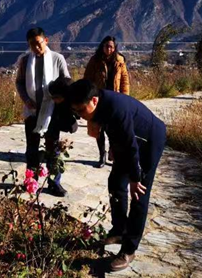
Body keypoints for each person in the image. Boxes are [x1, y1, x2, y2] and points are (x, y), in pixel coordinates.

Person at [68, 79, 166, 272]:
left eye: (81, 110)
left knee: (139, 195)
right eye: (75, 111)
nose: (79, 115)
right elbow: (115, 131)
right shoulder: (100, 104)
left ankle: (129, 249)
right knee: (115, 182)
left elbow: (130, 146)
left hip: (150, 140)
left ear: (94, 101)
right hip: (132, 140)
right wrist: (114, 147)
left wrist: (135, 178)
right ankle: (119, 230)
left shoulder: (116, 108)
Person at [15, 27, 71, 197]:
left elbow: (66, 81)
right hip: (32, 111)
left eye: (39, 43)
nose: (36, 47)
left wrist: (59, 97)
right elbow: (20, 82)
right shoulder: (25, 61)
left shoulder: (57, 59)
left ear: (46, 40)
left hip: (51, 110)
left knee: (53, 147)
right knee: (32, 148)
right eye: (32, 44)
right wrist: (26, 99)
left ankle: (54, 182)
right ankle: (31, 181)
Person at [84, 36, 130, 167]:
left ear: (114, 48)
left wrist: (125, 98)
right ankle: (101, 155)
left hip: (114, 100)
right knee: (99, 130)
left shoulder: (120, 61)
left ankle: (113, 153)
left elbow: (125, 80)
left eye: (111, 47)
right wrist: (88, 96)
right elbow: (87, 79)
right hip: (98, 100)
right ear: (102, 46)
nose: (108, 49)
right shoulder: (95, 60)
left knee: (114, 130)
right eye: (106, 46)